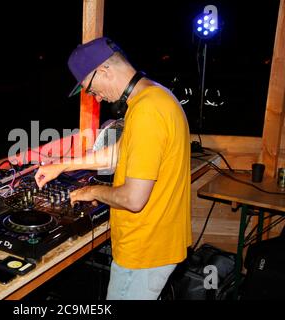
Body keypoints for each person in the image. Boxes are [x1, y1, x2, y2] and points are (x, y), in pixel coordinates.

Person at [34, 37, 191, 300]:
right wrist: (62, 165)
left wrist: (92, 191)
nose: (95, 98)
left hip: (145, 250)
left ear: (104, 70)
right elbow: (119, 153)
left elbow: (133, 198)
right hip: (156, 243)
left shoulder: (147, 111)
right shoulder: (155, 97)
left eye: (90, 89)